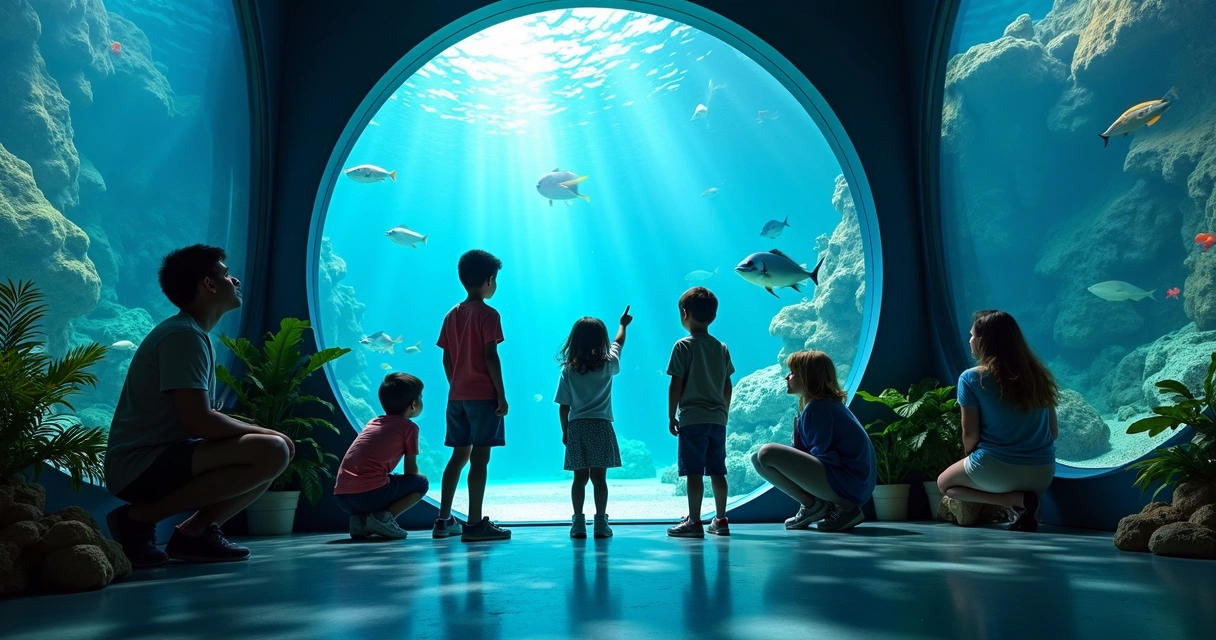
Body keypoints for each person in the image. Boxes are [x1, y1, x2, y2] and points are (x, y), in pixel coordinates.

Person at [105, 245, 294, 567]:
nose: (234, 280)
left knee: (276, 449)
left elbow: (199, 418)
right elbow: (200, 422)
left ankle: (195, 534)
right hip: (138, 466)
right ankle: (137, 520)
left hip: (162, 457)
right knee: (273, 449)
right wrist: (267, 433)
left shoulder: (191, 334)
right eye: (224, 273)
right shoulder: (183, 337)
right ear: (208, 284)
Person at [937, 310, 1058, 533]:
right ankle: (1026, 502)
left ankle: (1011, 501)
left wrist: (969, 455)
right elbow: (1053, 432)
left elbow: (970, 434)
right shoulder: (1040, 375)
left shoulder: (971, 378)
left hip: (995, 470)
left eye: (973, 335)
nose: (970, 340)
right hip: (1043, 473)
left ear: (985, 341)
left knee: (945, 484)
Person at [434, 249, 511, 542]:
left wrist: (457, 384)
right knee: (480, 459)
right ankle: (475, 524)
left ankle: (443, 520)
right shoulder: (489, 315)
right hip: (483, 398)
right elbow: (491, 356)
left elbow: (446, 358)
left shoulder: (451, 314)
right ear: (489, 280)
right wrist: (501, 394)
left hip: (457, 398)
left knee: (458, 456)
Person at [751, 350, 875, 533]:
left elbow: (826, 458)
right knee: (757, 459)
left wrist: (801, 450)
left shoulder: (818, 408)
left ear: (808, 377)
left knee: (766, 453)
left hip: (849, 485)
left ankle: (845, 508)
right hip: (854, 484)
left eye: (793, 372)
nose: (787, 376)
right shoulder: (823, 405)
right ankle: (813, 506)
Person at [555, 306, 633, 539]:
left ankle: (578, 523)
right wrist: (623, 324)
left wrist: (565, 431)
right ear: (602, 340)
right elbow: (619, 343)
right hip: (601, 426)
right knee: (599, 479)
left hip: (577, 426)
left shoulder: (568, 370)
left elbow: (563, 406)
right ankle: (600, 523)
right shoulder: (609, 364)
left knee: (579, 479)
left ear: (574, 340)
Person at [666, 287, 735, 538]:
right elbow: (728, 384)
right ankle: (721, 519)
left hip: (693, 419)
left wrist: (671, 415)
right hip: (718, 419)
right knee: (718, 470)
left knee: (693, 472)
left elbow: (676, 383)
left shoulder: (683, 346)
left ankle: (694, 522)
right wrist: (724, 411)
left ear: (685, 313)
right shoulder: (721, 347)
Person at [333, 373, 430, 540]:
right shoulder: (409, 428)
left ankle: (359, 522)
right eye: (420, 397)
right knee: (421, 483)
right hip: (367, 495)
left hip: (342, 496)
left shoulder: (373, 422)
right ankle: (383, 519)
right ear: (413, 404)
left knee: (385, 479)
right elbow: (410, 470)